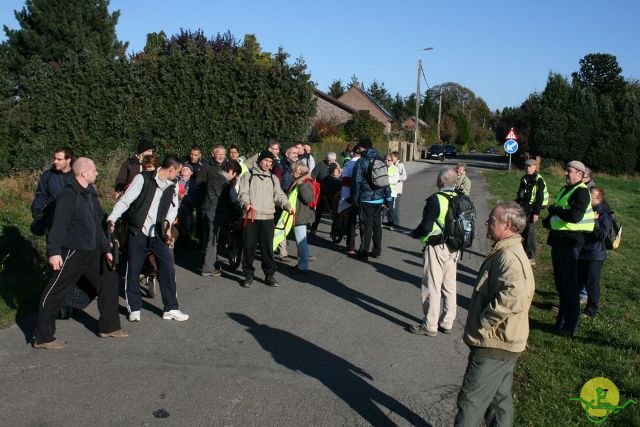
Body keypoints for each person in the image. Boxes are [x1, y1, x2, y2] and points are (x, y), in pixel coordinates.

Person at [33, 158, 128, 349]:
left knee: (109, 280)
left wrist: (106, 249)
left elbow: (95, 225)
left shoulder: (88, 194)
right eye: (94, 169)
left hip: (92, 251)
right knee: (54, 292)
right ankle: (43, 338)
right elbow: (58, 226)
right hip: (72, 252)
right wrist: (53, 252)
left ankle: (109, 327)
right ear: (84, 173)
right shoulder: (67, 196)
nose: (97, 173)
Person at [454, 202, 534, 427]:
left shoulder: (508, 256)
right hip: (505, 343)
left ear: (507, 224)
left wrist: (484, 323)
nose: (486, 223)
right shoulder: (507, 250)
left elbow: (515, 296)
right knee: (500, 402)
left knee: (471, 401)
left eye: (491, 220)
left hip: (495, 343)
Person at [107, 156, 189, 322]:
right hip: (138, 232)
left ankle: (171, 308)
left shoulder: (173, 186)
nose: (179, 175)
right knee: (134, 270)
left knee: (167, 270)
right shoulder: (143, 179)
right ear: (171, 169)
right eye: (178, 171)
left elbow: (174, 208)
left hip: (158, 234)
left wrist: (167, 223)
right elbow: (125, 201)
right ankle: (135, 309)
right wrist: (112, 218)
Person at [542, 160, 594, 337]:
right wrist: (548, 220)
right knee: (561, 285)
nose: (566, 173)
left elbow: (575, 216)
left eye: (569, 171)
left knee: (570, 287)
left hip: (571, 244)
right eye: (566, 170)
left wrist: (555, 211)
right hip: (560, 242)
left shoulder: (581, 192)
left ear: (579, 174)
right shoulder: (567, 189)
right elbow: (560, 212)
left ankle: (570, 327)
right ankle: (561, 323)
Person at [409, 167, 461, 336]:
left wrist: (414, 234)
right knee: (449, 286)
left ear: (440, 181)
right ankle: (447, 322)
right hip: (454, 247)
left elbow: (426, 226)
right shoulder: (460, 198)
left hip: (437, 247)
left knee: (432, 285)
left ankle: (430, 325)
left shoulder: (436, 199)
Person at [237, 150, 294, 288]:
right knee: (249, 247)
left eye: (270, 161)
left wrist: (287, 205)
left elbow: (279, 195)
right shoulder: (248, 175)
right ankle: (248, 275)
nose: (268, 163)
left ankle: (270, 275)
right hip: (251, 217)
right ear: (259, 161)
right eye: (266, 161)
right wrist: (246, 204)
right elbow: (242, 193)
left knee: (267, 248)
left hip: (268, 218)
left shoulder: (273, 178)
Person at [350, 137, 391, 260]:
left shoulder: (361, 161)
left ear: (363, 147)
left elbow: (356, 182)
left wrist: (354, 199)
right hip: (379, 198)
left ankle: (363, 253)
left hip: (365, 198)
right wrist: (387, 198)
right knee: (377, 225)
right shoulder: (380, 159)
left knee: (365, 225)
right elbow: (385, 181)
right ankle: (377, 251)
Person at [201, 159, 242, 277]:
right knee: (213, 241)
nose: (234, 177)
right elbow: (233, 201)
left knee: (206, 238)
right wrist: (239, 213)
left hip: (205, 209)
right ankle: (208, 267)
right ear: (231, 171)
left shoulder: (212, 177)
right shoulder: (226, 184)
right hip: (215, 213)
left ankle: (206, 262)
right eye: (235, 174)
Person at [578, 187, 612, 318]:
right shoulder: (589, 209)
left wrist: (595, 221)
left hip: (595, 254)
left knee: (592, 282)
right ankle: (570, 305)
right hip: (584, 250)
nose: (588, 198)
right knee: (578, 280)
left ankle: (591, 310)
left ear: (598, 199)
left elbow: (602, 235)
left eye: (590, 196)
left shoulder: (605, 214)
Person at [31, 147, 75, 235]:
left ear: (68, 160)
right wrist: (37, 209)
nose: (55, 161)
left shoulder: (77, 177)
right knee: (52, 246)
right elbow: (41, 194)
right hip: (52, 218)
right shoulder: (48, 175)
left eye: (59, 159)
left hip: (72, 220)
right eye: (55, 158)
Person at [515, 158, 548, 265]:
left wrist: (536, 213)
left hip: (533, 209)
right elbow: (520, 194)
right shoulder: (524, 178)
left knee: (530, 232)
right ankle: (522, 253)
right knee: (522, 230)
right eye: (526, 166)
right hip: (523, 208)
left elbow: (540, 198)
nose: (527, 168)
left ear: (535, 167)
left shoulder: (539, 180)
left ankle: (531, 256)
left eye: (530, 166)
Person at [288, 162, 316, 274]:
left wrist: (300, 185)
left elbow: (309, 199)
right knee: (300, 241)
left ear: (302, 172)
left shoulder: (305, 183)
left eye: (296, 171)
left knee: (301, 242)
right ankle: (301, 263)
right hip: (298, 216)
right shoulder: (298, 182)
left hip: (301, 217)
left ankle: (303, 266)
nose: (293, 173)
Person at [339, 143, 362, 255]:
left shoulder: (348, 164)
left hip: (348, 196)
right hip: (362, 197)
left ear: (352, 153)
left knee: (351, 222)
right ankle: (364, 248)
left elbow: (344, 181)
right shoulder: (363, 164)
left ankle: (350, 246)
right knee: (362, 222)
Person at [310, 152, 338, 234]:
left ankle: (334, 231)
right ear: (326, 159)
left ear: (335, 160)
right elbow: (313, 176)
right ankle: (313, 228)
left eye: (331, 161)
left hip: (333, 194)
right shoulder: (320, 165)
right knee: (319, 211)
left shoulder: (336, 166)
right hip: (322, 192)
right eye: (328, 160)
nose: (329, 162)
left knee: (334, 213)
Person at [386, 151, 406, 230]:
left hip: (397, 189)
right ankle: (390, 221)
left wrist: (396, 178)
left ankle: (396, 223)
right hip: (391, 189)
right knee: (389, 207)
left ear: (396, 157)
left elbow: (404, 177)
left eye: (393, 157)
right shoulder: (391, 165)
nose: (391, 159)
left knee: (395, 207)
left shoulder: (400, 165)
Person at [384, 153, 399, 231]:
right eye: (385, 159)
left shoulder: (395, 168)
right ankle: (380, 223)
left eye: (389, 160)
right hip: (382, 191)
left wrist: (386, 180)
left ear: (392, 160)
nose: (387, 161)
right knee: (381, 208)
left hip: (391, 192)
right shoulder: (382, 167)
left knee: (390, 208)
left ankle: (391, 224)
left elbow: (395, 180)